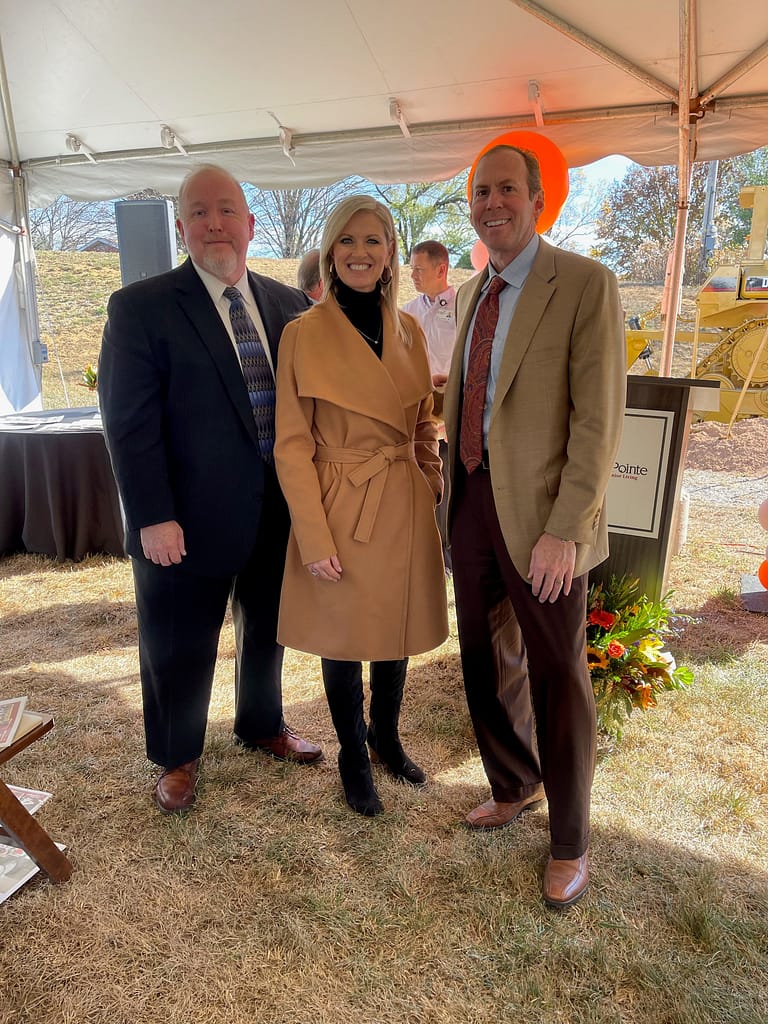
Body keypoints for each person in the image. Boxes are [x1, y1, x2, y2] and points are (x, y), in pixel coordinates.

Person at [99, 163, 322, 815]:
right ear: (181, 228)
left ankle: (261, 724)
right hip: (183, 521)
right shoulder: (140, 308)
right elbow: (128, 423)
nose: (213, 222)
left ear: (250, 225)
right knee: (177, 639)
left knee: (267, 630)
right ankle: (177, 756)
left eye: (226, 210)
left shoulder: (289, 307)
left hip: (273, 513)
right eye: (198, 212)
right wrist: (152, 516)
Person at [442, 144, 626, 908]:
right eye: (481, 190)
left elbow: (599, 422)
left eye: (507, 188)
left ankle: (571, 839)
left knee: (558, 674)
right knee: (485, 662)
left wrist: (566, 529)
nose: (493, 202)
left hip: (547, 519)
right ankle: (513, 782)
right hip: (470, 505)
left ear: (538, 198)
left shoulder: (584, 284)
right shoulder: (466, 294)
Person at [274, 195, 448, 817]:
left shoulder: (408, 329)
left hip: (400, 499)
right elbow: (291, 445)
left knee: (393, 629)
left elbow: (426, 420)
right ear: (328, 251)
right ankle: (353, 752)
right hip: (340, 501)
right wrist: (314, 537)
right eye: (346, 241)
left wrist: (427, 478)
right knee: (345, 635)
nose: (360, 253)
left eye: (373, 241)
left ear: (390, 251)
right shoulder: (302, 333)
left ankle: (387, 738)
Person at [401, 240, 457, 572]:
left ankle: (449, 550)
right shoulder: (407, 311)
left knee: (451, 484)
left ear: (441, 269)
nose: (412, 275)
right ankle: (424, 548)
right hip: (420, 418)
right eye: (411, 268)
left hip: (455, 415)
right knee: (425, 481)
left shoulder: (464, 306)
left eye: (419, 269)